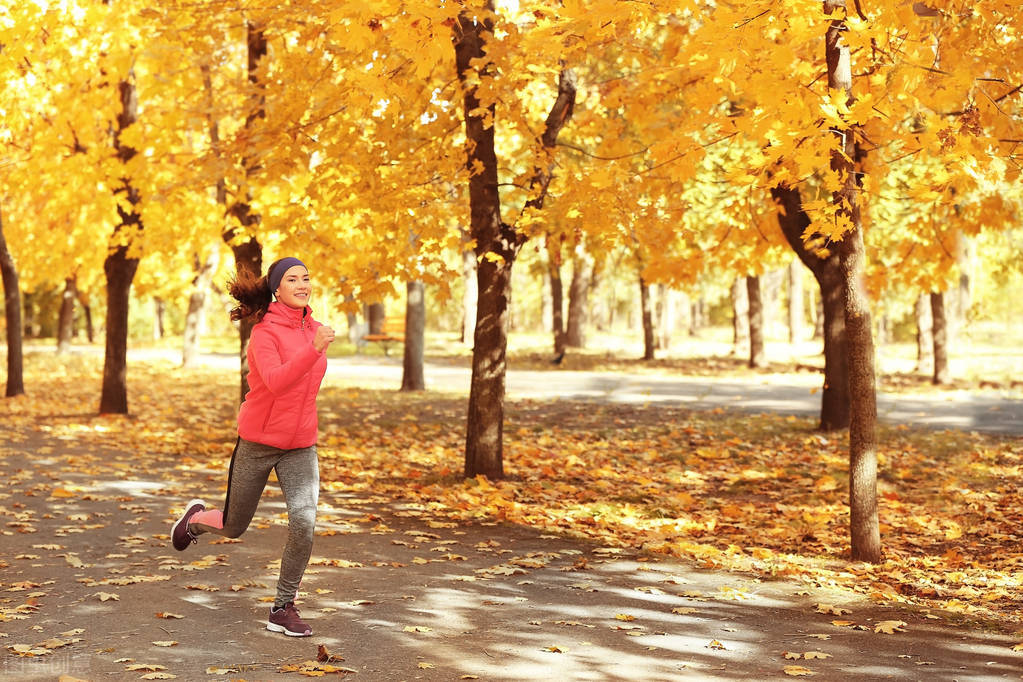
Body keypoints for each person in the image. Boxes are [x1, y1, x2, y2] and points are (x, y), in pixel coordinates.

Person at [170, 257, 335, 637]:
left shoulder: (316, 329)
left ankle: (282, 607)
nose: (302, 284)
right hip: (258, 442)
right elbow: (276, 382)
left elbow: (306, 386)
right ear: (276, 289)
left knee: (304, 523)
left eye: (306, 278)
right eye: (292, 279)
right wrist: (313, 349)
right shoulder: (264, 334)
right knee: (234, 526)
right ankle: (194, 520)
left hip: (300, 444)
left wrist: (314, 345)